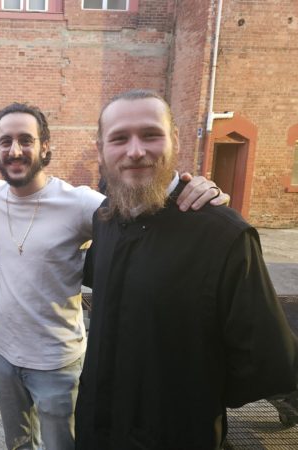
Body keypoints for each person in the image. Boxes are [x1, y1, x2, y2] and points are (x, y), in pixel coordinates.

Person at [0, 102, 228, 450]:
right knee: (17, 443)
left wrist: (194, 191)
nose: (15, 150)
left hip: (56, 362)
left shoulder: (78, 203)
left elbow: (145, 213)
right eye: (6, 141)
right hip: (1, 355)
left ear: (45, 146)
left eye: (26, 140)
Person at [75, 89, 298, 449]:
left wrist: (190, 396)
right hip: (96, 430)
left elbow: (269, 362)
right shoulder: (105, 219)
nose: (135, 150)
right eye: (119, 138)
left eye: (151, 134)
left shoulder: (223, 235)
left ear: (175, 140)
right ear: (101, 149)